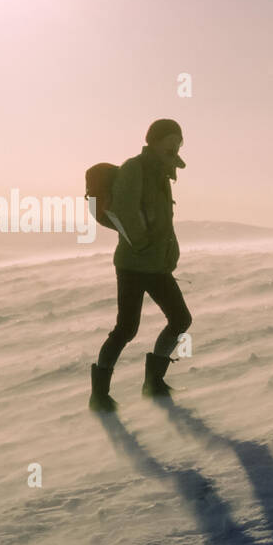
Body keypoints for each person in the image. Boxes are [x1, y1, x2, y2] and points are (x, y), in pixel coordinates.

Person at [88, 119, 192, 411]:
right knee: (126, 329)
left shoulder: (163, 172)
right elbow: (125, 210)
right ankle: (99, 397)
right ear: (154, 141)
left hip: (157, 266)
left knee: (180, 319)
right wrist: (143, 243)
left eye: (179, 140)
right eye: (170, 139)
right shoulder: (135, 168)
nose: (175, 145)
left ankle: (154, 383)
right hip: (134, 264)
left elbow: (162, 220)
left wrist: (168, 253)